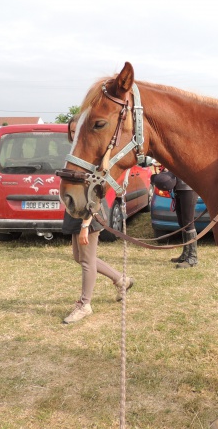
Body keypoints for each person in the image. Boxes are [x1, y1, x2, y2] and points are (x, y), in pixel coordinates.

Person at [62, 117, 133, 324]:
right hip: (75, 209)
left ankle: (85, 304)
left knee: (86, 261)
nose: (75, 135)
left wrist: (85, 224)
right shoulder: (76, 154)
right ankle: (121, 280)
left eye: (78, 131)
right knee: (80, 257)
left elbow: (97, 192)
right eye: (72, 131)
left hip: (89, 213)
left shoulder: (92, 155)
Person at [170, 176, 199, 268]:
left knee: (188, 223)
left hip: (188, 187)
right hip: (178, 187)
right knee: (182, 222)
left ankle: (192, 258)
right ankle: (185, 254)